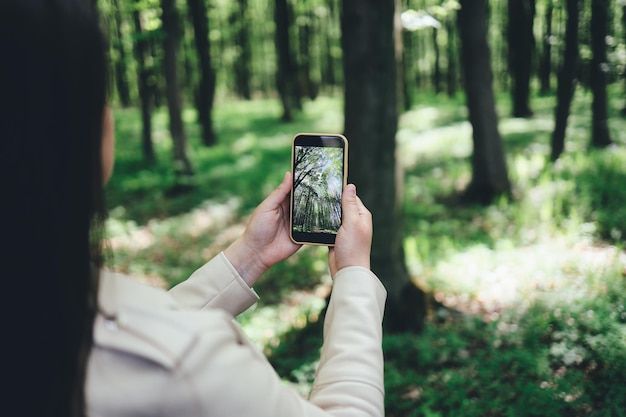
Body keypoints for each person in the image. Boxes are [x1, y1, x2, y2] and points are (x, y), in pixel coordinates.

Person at [1, 1, 387, 417]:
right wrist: (354, 278)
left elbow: (142, 329)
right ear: (78, 126)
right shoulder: (186, 367)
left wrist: (250, 257)